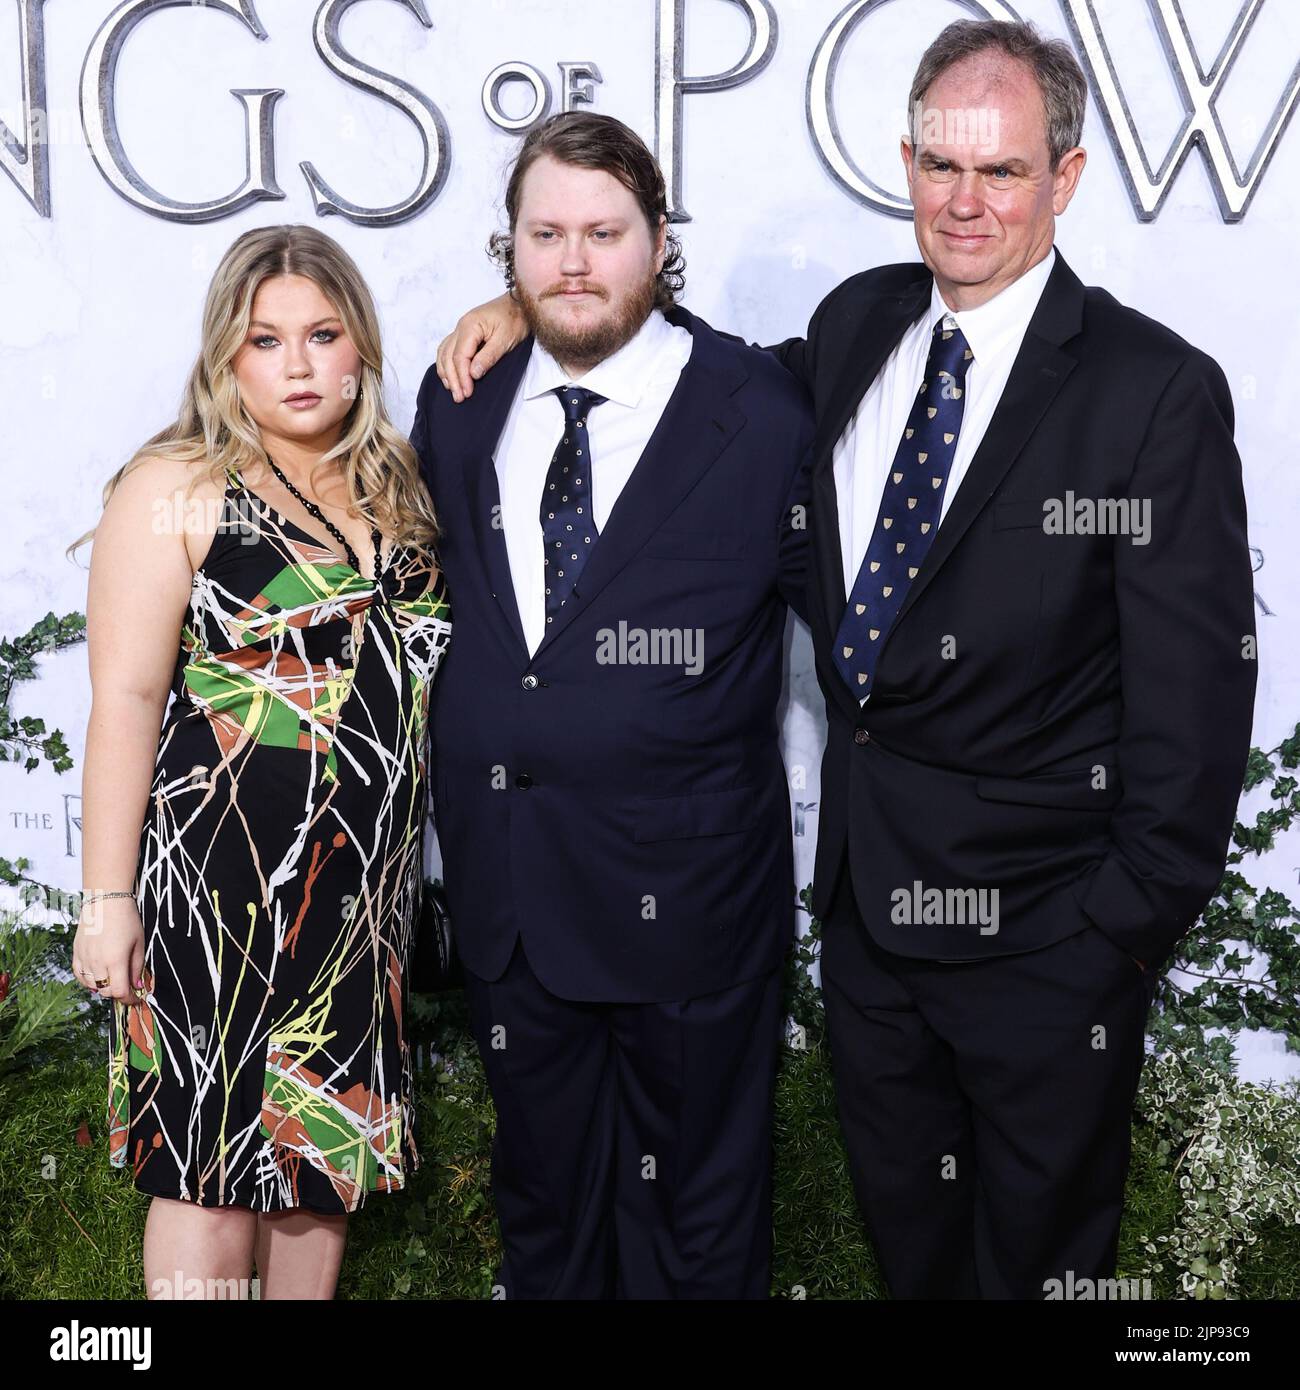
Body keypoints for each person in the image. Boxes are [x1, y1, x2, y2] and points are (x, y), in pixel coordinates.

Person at [433, 19, 1257, 1298]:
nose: (964, 200)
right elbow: (679, 397)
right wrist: (549, 299)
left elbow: (1197, 703)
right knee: (912, 1259)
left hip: (1047, 945)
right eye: (941, 164)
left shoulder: (1153, 393)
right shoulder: (861, 323)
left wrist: (1114, 938)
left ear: (1068, 178)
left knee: (1041, 1269)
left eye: (1001, 171)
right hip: (873, 934)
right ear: (906, 162)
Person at [408, 111, 813, 1298]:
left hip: (688, 910)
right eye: (545, 234)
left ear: (657, 241)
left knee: (696, 1237)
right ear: (510, 248)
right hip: (513, 905)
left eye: (602, 232)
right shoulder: (462, 402)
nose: (573, 261)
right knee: (546, 1225)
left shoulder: (760, 409)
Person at [68, 224, 452, 1300]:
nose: (297, 364)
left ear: (360, 346)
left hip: (355, 901)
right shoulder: (179, 483)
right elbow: (128, 700)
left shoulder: (400, 493)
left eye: (323, 335)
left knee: (316, 1170)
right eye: (265, 339)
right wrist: (106, 899)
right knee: (207, 1170)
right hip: (214, 891)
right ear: (225, 355)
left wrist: (508, 308)